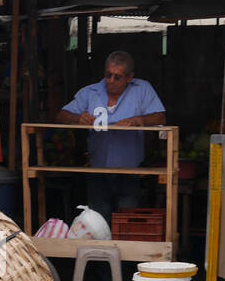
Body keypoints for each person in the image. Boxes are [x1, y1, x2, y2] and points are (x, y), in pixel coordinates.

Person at [55, 50, 165, 223]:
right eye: (108, 75)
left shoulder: (142, 89)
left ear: (129, 77)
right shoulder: (90, 92)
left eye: (117, 77)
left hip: (129, 171)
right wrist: (78, 118)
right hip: (98, 169)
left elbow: (160, 117)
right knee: (98, 223)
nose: (111, 81)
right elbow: (61, 115)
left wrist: (138, 120)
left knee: (126, 222)